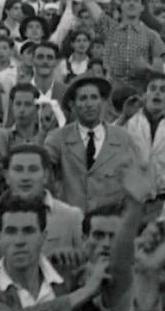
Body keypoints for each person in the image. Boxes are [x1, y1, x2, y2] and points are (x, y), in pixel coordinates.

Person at [0, 194, 101, 311]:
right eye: (11, 231)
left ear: (43, 237)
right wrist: (81, 294)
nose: (19, 241)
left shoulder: (68, 277)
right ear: (0, 238)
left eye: (28, 231)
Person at [0, 144, 84, 272]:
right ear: (6, 176)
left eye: (33, 169)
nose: (25, 177)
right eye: (18, 169)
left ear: (46, 175)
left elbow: (86, 264)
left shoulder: (71, 217)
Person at [47, 76, 139, 213]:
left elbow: (136, 181)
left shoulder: (123, 138)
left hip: (110, 223)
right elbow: (40, 167)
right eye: (83, 99)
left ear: (102, 102)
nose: (89, 104)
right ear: (72, 105)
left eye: (94, 97)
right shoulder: (58, 139)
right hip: (72, 222)